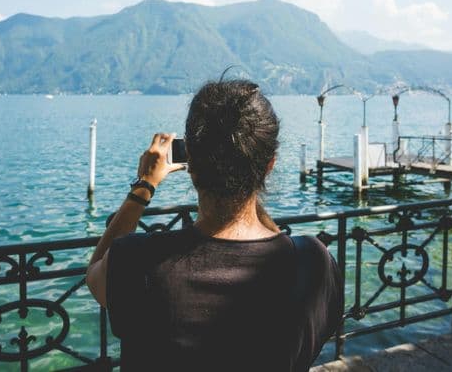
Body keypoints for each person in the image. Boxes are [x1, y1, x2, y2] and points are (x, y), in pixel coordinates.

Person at [87, 79, 342, 371]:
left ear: (190, 165)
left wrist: (143, 186)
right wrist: (249, 181)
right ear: (269, 165)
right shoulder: (311, 262)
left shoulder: (137, 259)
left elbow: (94, 278)